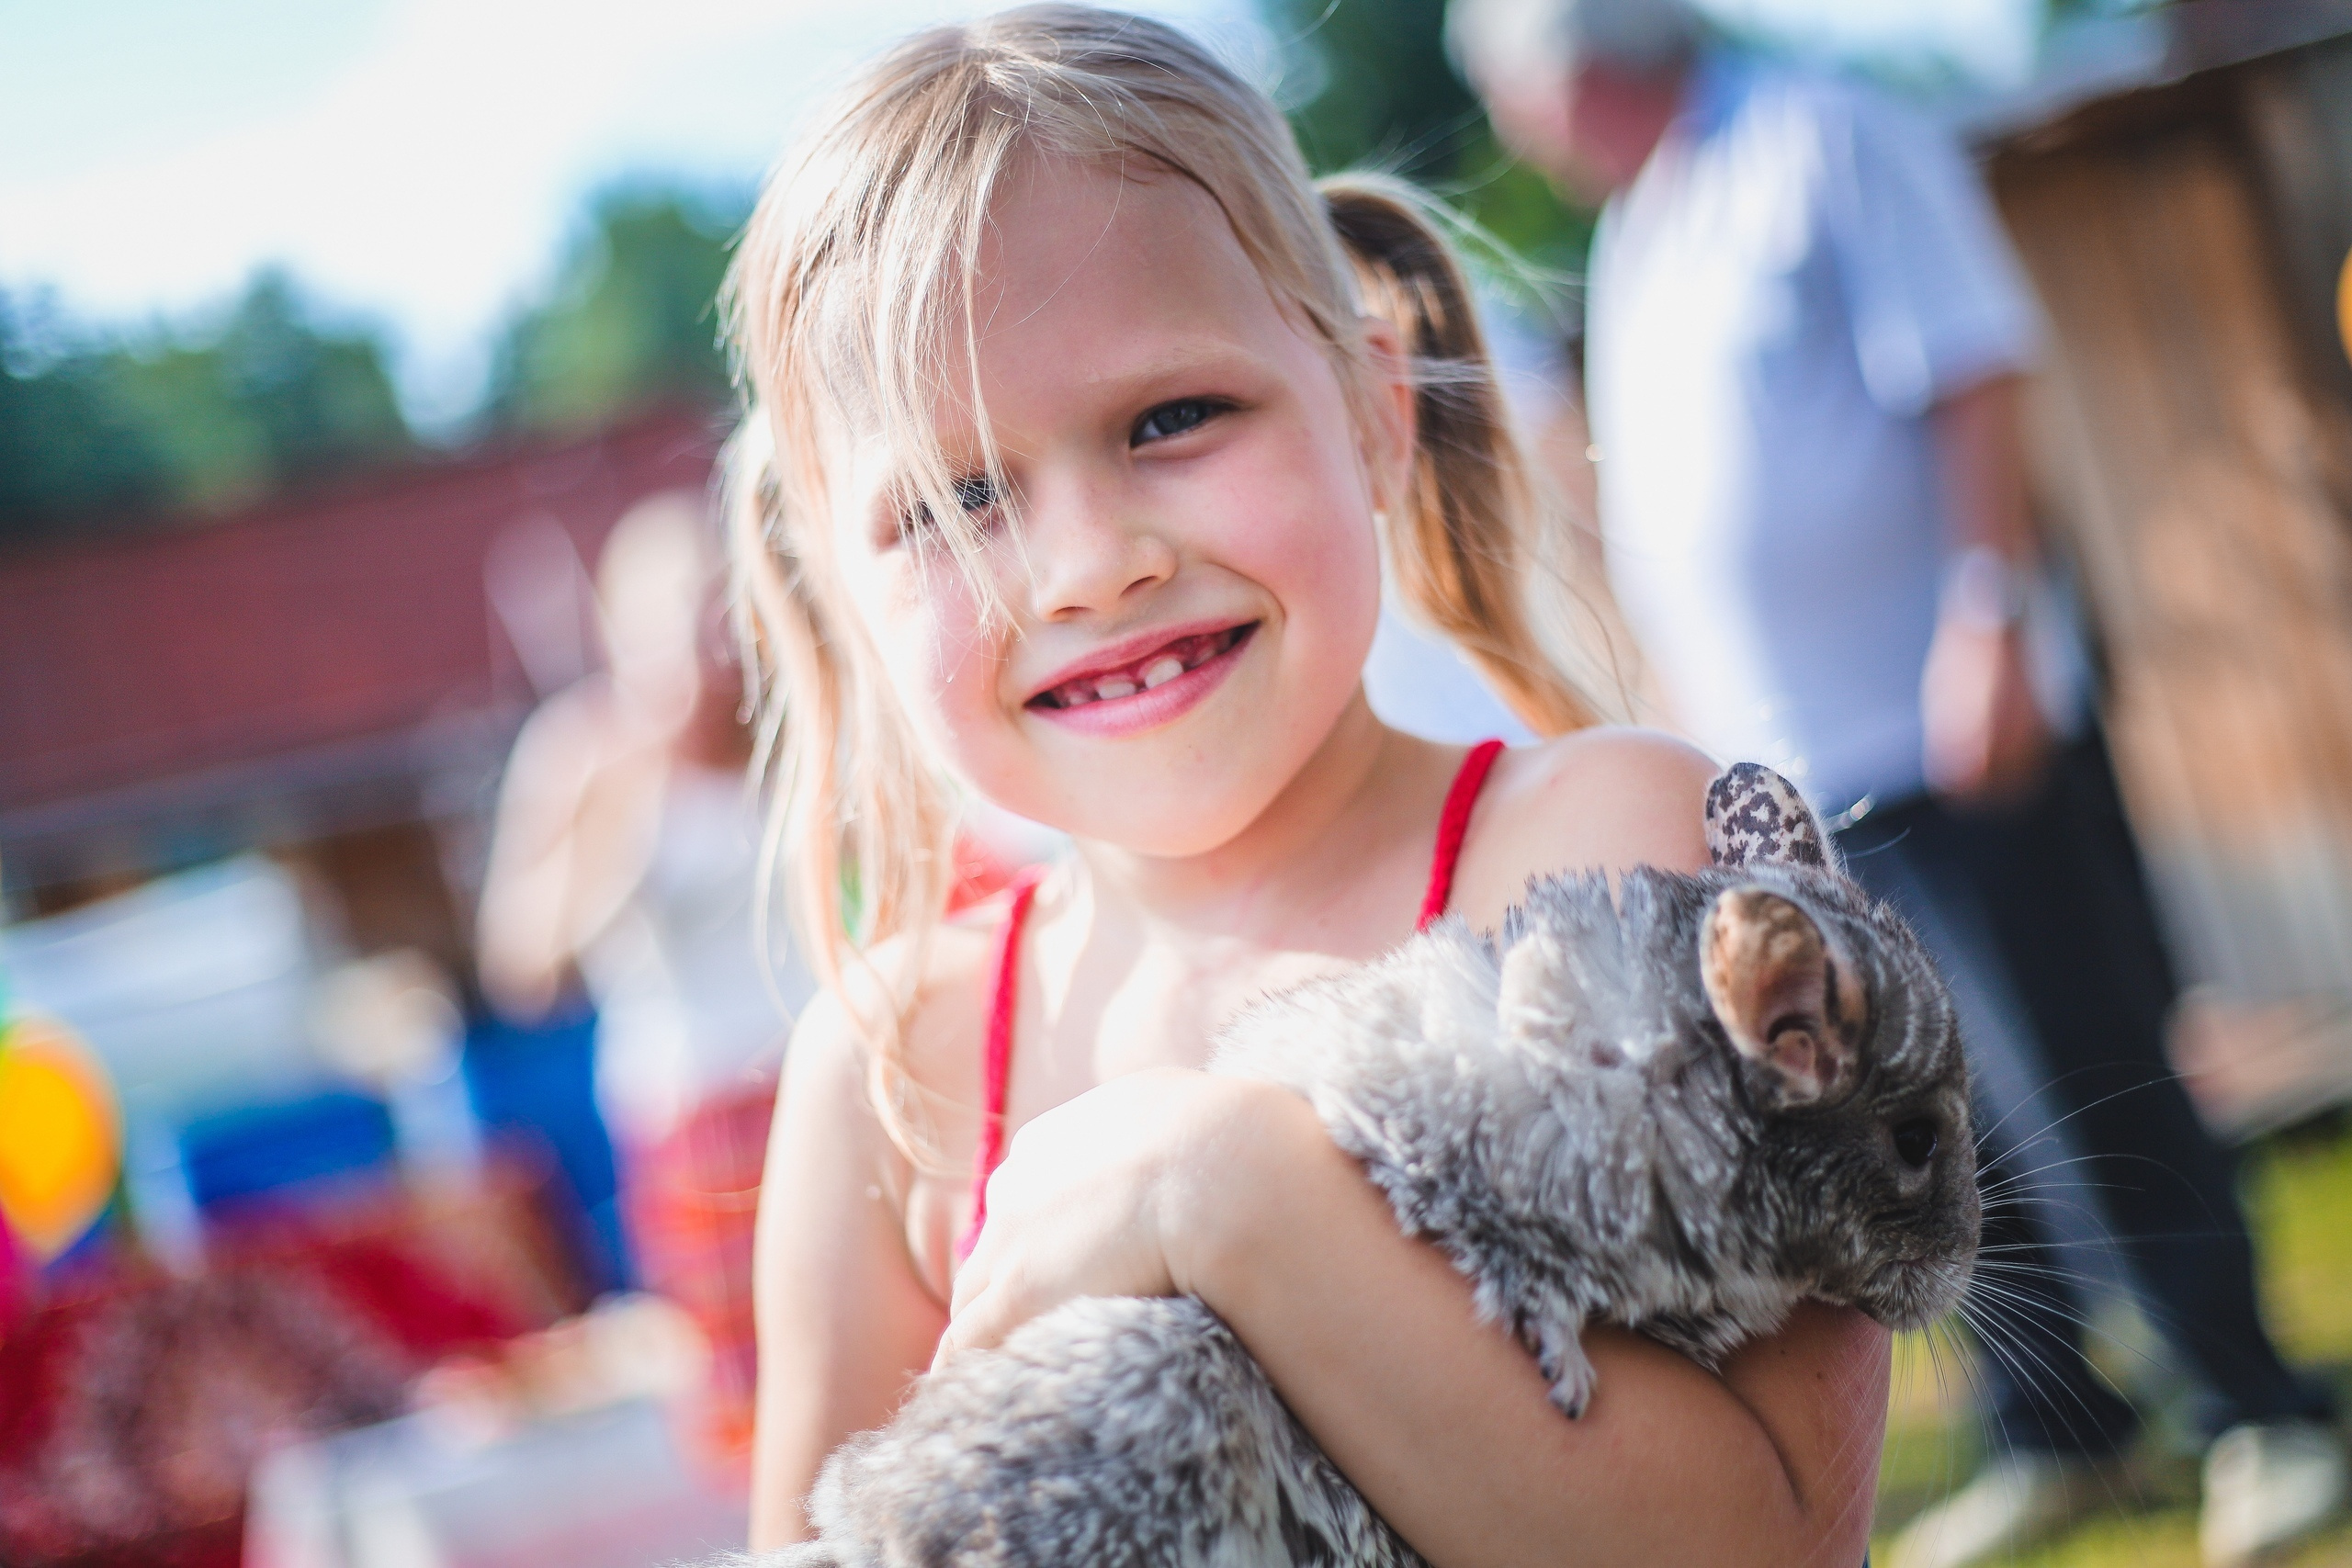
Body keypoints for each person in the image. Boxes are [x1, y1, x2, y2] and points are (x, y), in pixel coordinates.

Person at [726, 7, 1890, 1562]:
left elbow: (1772, 1541)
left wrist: (1225, 1193)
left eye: (1173, 418)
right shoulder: (892, 1080)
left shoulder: (1616, 858)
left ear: (1376, 411)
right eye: (960, 497)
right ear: (837, 592)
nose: (1089, 565)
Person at [1445, 0, 2348, 1563]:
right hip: (1798, 783)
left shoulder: (1822, 137)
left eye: (1512, 103)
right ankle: (2058, 1421)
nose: (1519, 137)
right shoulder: (1647, 219)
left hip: (1944, 723)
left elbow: (1976, 367)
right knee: (1915, 1124)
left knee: (2081, 1067)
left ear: (1569, 77)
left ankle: (2251, 1403)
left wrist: (1986, 617)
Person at [478, 494, 811, 1459]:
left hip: (823, 1075)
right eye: (685, 618)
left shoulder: (790, 722)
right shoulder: (586, 751)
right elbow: (523, 970)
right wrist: (610, 830)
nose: (714, 644)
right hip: (698, 1110)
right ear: (625, 627)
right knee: (756, 1393)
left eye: (727, 613)